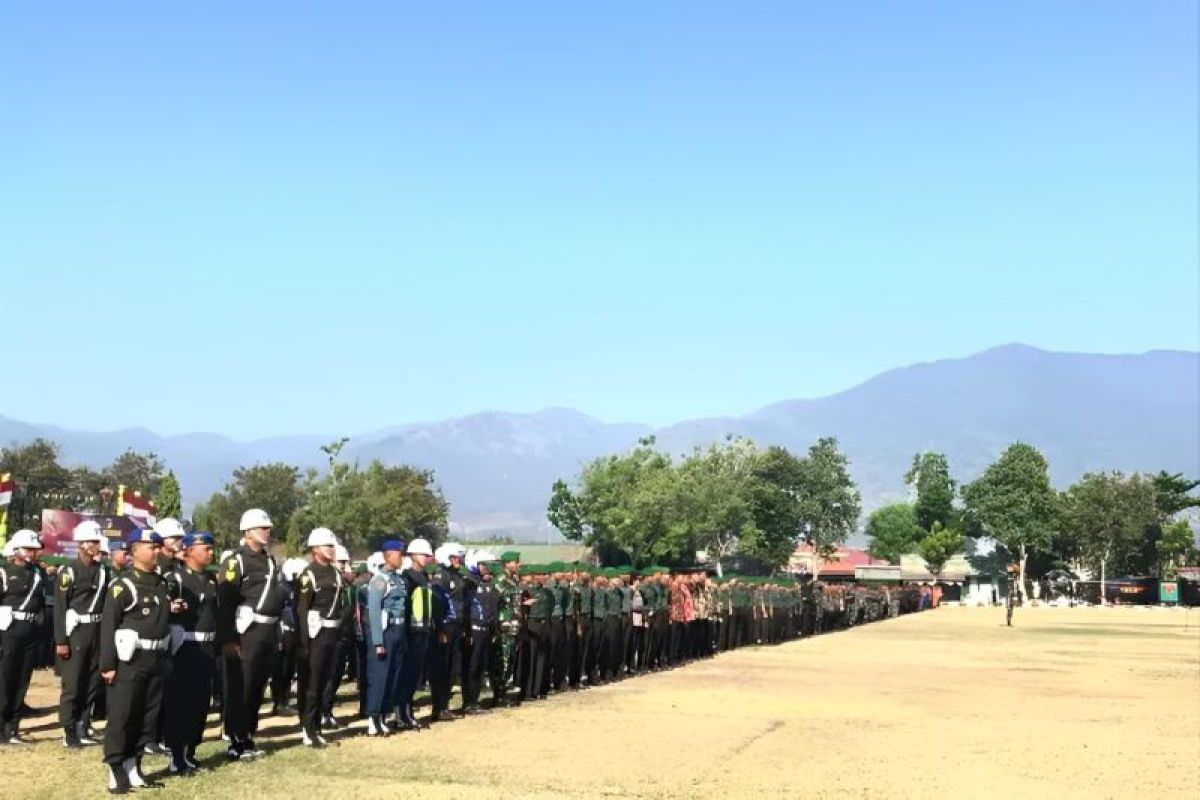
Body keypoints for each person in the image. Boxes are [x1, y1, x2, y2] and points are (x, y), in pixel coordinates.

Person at [100, 528, 180, 794]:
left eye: (158, 546)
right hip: (130, 661)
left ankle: (134, 765)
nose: (157, 550)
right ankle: (115, 768)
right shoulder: (123, 585)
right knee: (124, 715)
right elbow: (108, 625)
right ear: (134, 550)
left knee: (147, 715)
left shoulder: (160, 583)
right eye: (151, 546)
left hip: (156, 658)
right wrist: (108, 665)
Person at [216, 508, 284, 760]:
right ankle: (236, 737)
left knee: (257, 686)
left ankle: (249, 733)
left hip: (267, 629)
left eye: (267, 528)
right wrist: (229, 639)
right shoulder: (236, 561)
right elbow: (226, 603)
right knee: (241, 686)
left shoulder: (269, 560)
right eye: (262, 528)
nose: (267, 532)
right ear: (248, 532)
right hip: (247, 631)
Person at [163, 531, 218, 775]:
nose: (210, 552)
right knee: (180, 703)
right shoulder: (174, 578)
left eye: (210, 548)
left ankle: (190, 752)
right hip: (184, 646)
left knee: (200, 703)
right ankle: (176, 755)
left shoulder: (210, 579)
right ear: (188, 551)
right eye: (204, 548)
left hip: (207, 647)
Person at [55, 520, 108, 748]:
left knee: (93, 681)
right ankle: (68, 730)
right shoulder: (69, 571)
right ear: (83, 544)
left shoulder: (103, 571)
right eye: (94, 542)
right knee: (74, 683)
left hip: (97, 630)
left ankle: (83, 725)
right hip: (76, 632)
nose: (97, 546)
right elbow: (60, 607)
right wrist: (61, 641)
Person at [295, 528, 345, 748]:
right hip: (315, 635)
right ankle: (308, 728)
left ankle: (317, 726)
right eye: (327, 546)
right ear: (315, 549)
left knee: (325, 680)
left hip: (332, 633)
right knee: (312, 684)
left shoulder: (335, 573)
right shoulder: (308, 574)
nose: (331, 549)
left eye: (332, 546)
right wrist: (304, 642)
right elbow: (302, 610)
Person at [0, 529, 47, 745]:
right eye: (28, 549)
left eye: (34, 549)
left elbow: (41, 603)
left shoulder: (38, 574)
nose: (31, 553)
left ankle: (13, 728)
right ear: (16, 549)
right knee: (5, 679)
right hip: (8, 630)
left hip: (29, 630)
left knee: (22, 680)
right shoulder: (4, 572)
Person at [362, 540, 407, 735]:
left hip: (398, 631)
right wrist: (378, 641)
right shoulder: (379, 580)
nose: (402, 558)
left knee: (392, 677)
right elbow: (373, 612)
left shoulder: (398, 579)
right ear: (389, 555)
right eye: (399, 554)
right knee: (380, 677)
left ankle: (383, 716)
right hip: (385, 632)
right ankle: (373, 718)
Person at [394, 538, 434, 730]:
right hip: (411, 631)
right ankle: (400, 714)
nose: (427, 558)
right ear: (413, 556)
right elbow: (405, 607)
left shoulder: (424, 577)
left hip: (423, 630)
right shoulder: (407, 577)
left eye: (428, 555)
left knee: (413, 676)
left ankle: (408, 711)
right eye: (424, 555)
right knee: (405, 675)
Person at [428, 542, 466, 721]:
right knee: (441, 668)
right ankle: (439, 706)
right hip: (445, 626)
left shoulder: (457, 576)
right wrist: (440, 628)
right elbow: (437, 604)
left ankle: (445, 705)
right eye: (455, 557)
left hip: (457, 626)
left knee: (452, 668)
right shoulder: (440, 576)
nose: (459, 560)